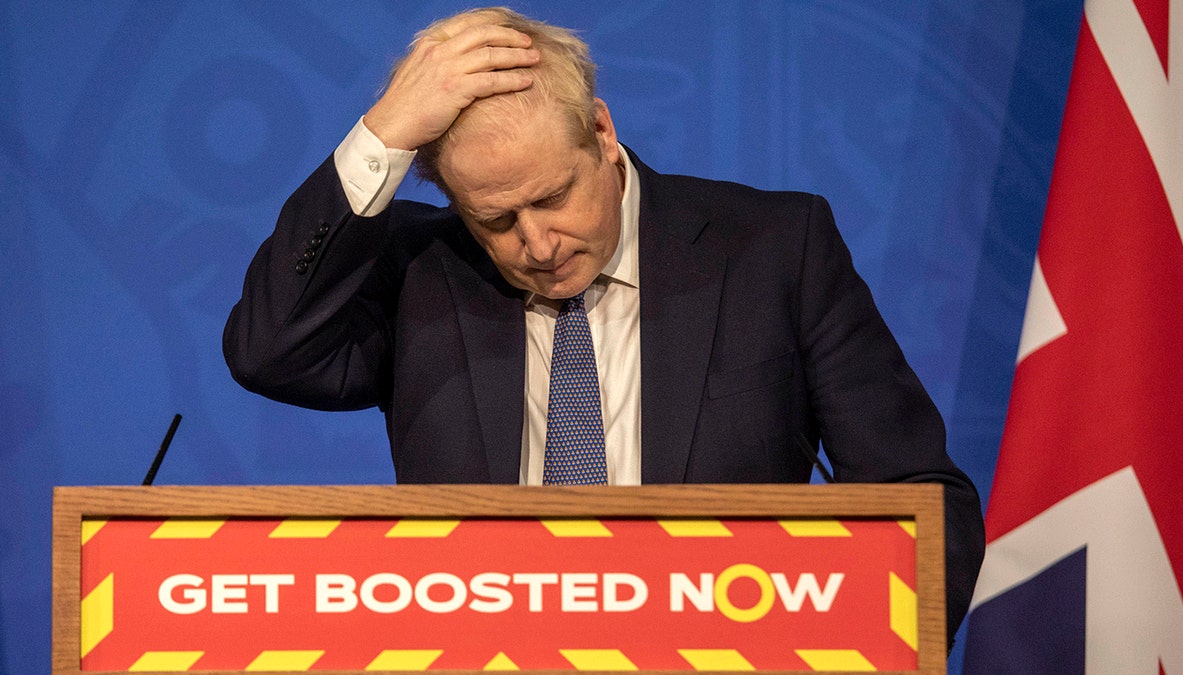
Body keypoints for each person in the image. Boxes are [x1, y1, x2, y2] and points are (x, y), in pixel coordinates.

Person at [223, 6, 984, 641]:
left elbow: (923, 498)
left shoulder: (775, 249)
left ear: (601, 132)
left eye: (553, 197)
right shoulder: (422, 277)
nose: (539, 243)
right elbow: (268, 348)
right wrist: (382, 133)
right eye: (496, 219)